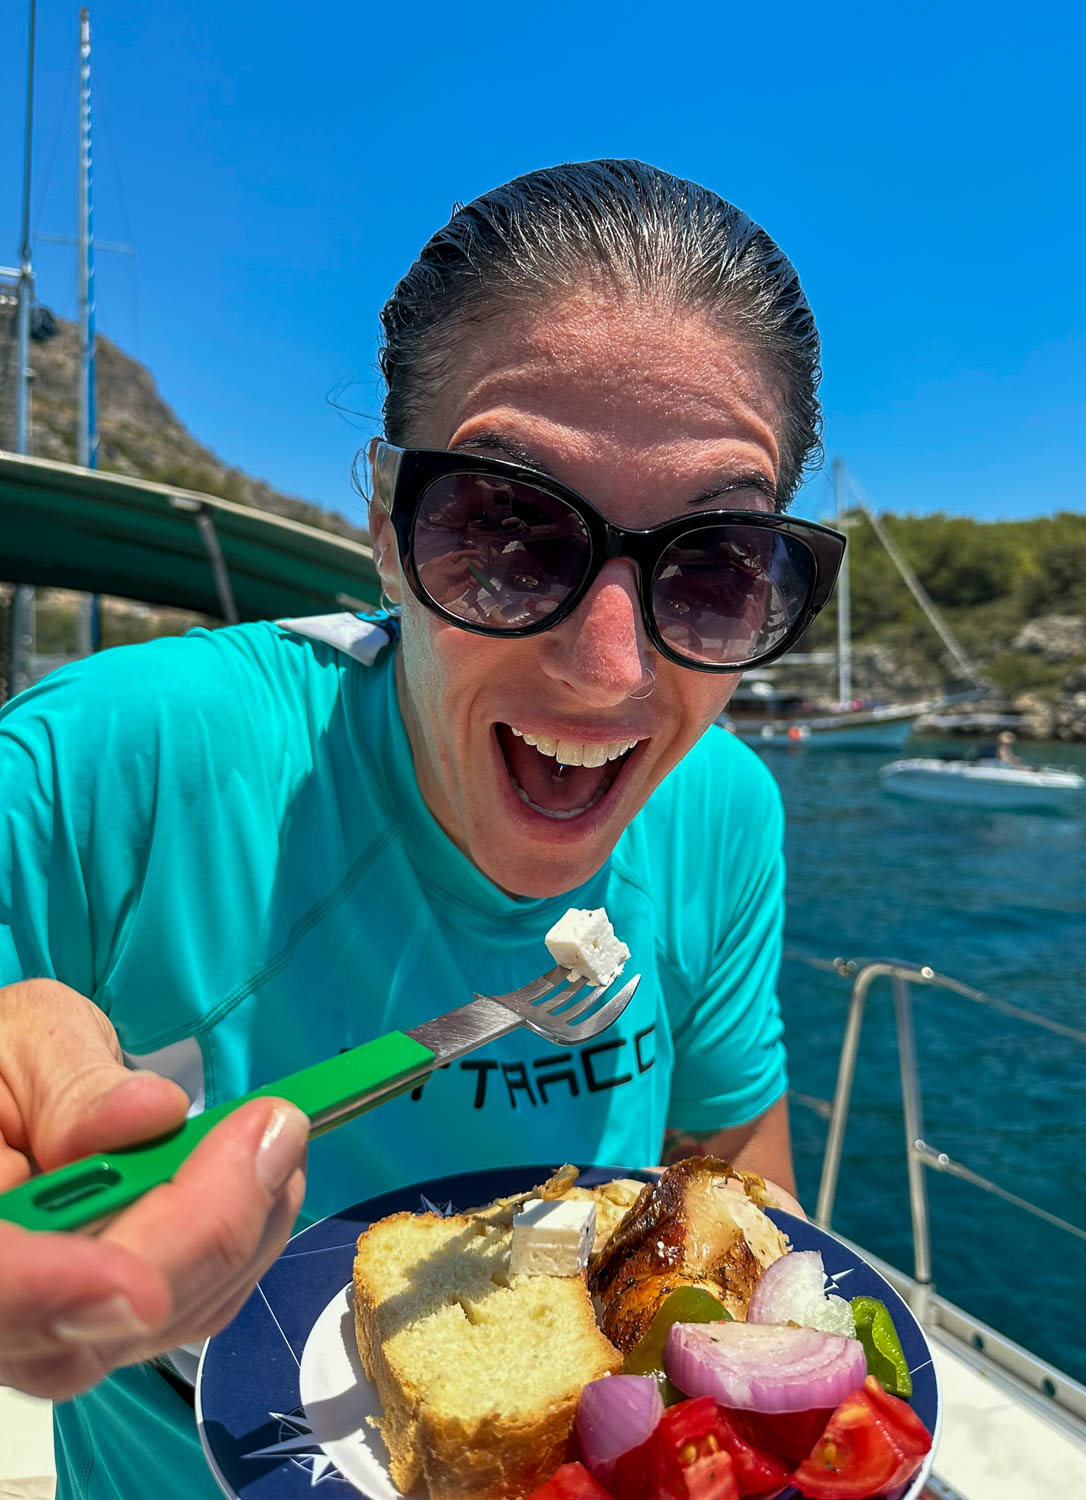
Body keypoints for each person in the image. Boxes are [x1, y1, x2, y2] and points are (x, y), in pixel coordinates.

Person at [0, 160, 843, 1499]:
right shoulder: (107, 757)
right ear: (386, 525)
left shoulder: (721, 807)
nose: (612, 671)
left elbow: (727, 1164)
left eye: (716, 565)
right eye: (503, 531)